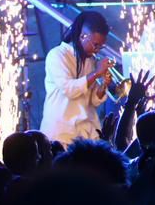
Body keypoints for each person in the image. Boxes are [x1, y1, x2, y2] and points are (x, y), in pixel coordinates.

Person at [41, 11, 113, 146]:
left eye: (100, 46)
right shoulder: (57, 55)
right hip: (61, 134)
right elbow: (69, 90)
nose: (97, 50)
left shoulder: (91, 61)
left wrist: (103, 85)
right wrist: (97, 73)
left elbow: (93, 101)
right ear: (82, 36)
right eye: (95, 44)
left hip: (87, 133)